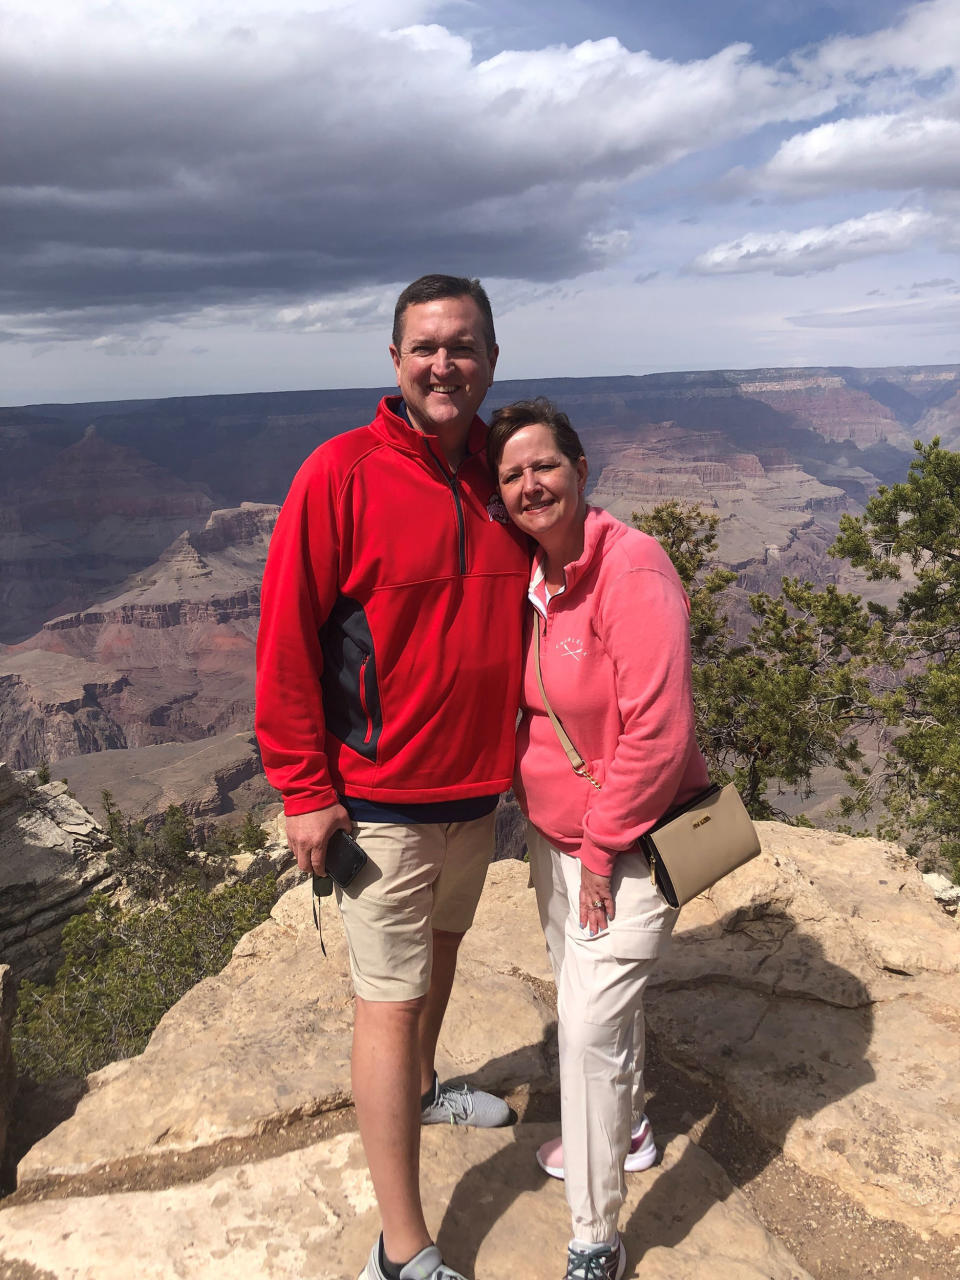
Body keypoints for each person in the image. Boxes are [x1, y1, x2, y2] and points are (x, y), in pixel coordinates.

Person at [255, 275, 529, 1280]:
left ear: (492, 359)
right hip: (377, 797)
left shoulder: (506, 473)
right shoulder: (341, 472)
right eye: (425, 347)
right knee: (387, 996)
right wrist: (303, 786)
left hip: (477, 792)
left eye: (462, 346)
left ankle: (422, 1087)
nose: (443, 363)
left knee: (444, 953)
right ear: (395, 360)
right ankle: (403, 1245)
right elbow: (285, 636)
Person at [486, 398, 710, 1280]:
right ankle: (636, 1127)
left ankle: (593, 1236)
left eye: (545, 465)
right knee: (598, 1007)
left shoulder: (632, 569)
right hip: (553, 840)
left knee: (582, 1031)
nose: (530, 484)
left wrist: (601, 847)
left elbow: (658, 729)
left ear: (582, 470)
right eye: (511, 475)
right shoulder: (534, 577)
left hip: (626, 847)